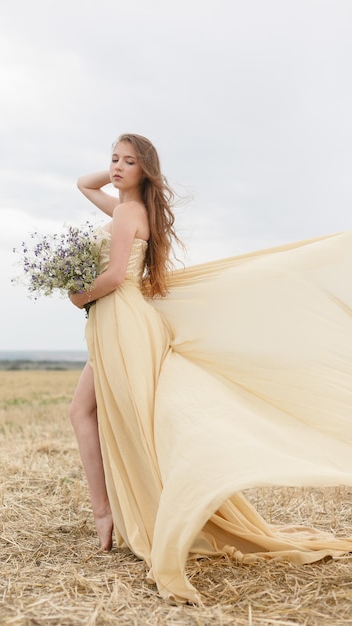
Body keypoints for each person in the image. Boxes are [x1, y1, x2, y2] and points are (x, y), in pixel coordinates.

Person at [69, 133, 352, 604]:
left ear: (147, 171)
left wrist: (77, 295)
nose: (116, 168)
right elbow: (84, 183)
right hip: (125, 320)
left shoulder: (125, 212)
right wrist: (125, 172)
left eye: (128, 162)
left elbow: (115, 276)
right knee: (96, 415)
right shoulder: (138, 211)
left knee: (96, 415)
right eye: (113, 160)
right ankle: (110, 513)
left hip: (120, 319)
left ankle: (110, 515)